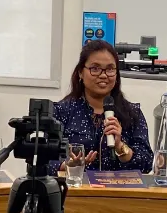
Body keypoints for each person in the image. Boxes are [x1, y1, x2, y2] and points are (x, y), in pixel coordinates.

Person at [49, 40, 153, 174]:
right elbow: (42, 162)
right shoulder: (61, 111)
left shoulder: (133, 113)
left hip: (118, 192)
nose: (103, 75)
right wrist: (67, 165)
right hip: (75, 191)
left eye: (110, 69)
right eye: (95, 69)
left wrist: (120, 147)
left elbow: (147, 164)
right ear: (81, 72)